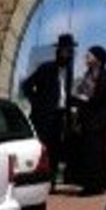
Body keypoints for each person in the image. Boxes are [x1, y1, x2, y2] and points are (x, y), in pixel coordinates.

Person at [20, 32, 75, 189]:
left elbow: (66, 93)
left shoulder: (69, 72)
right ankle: (39, 180)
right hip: (43, 116)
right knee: (43, 148)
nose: (68, 54)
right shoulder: (47, 68)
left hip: (60, 116)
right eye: (65, 50)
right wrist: (38, 102)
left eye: (70, 51)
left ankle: (51, 182)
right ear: (59, 51)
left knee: (56, 149)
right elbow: (26, 86)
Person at [69, 44, 106, 195]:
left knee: (94, 154)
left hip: (97, 122)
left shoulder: (105, 75)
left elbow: (99, 98)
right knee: (87, 154)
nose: (86, 58)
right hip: (87, 121)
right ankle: (90, 184)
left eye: (89, 56)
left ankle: (93, 186)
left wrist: (81, 99)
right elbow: (82, 93)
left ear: (98, 59)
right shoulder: (88, 74)